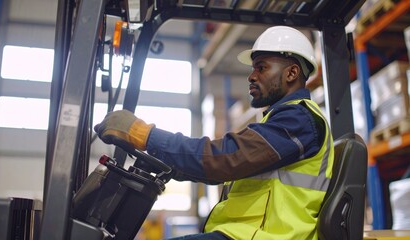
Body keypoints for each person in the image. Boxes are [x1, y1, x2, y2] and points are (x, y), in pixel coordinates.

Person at [94, 26, 334, 240]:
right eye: (253, 69)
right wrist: (170, 164)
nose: (251, 76)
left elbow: (225, 159)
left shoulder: (299, 120)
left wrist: (145, 135)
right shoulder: (280, 121)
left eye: (261, 68)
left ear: (291, 73)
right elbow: (218, 170)